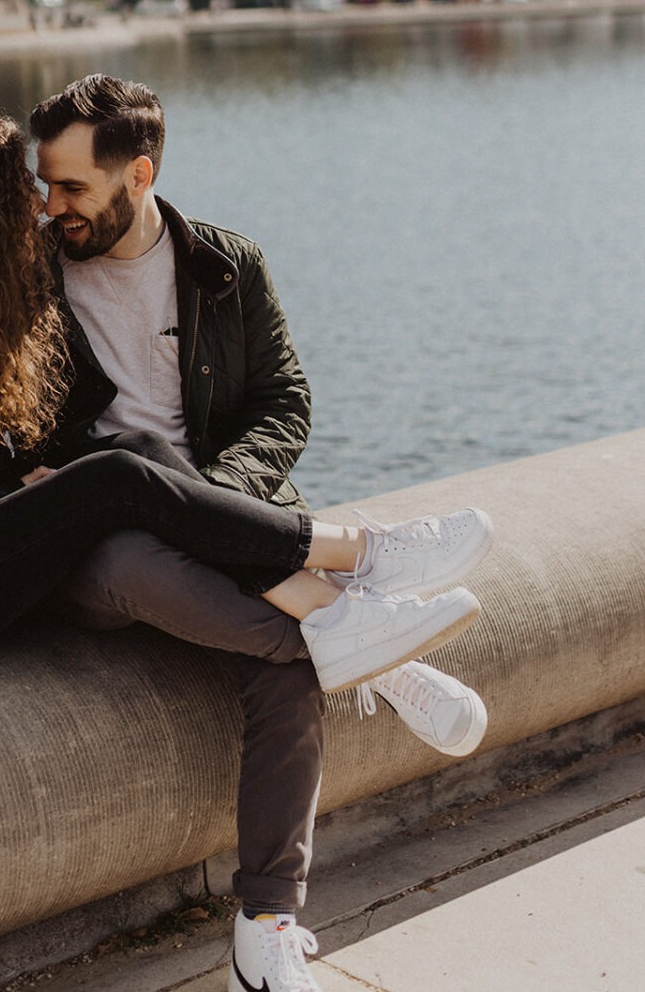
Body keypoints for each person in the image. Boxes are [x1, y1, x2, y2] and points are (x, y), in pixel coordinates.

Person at [0, 116, 487, 992]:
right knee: (121, 471)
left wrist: (32, 478)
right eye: (27, 193)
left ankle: (275, 899)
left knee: (143, 464)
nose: (42, 210)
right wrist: (26, 498)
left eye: (55, 190)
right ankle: (357, 572)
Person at [29, 76, 493, 992]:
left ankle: (267, 924)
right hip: (98, 549)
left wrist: (212, 497)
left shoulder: (225, 265)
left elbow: (285, 401)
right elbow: (9, 430)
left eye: (73, 187)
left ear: (140, 172)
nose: (53, 206)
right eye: (46, 184)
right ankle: (380, 652)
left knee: (286, 674)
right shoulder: (30, 278)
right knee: (141, 458)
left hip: (230, 532)